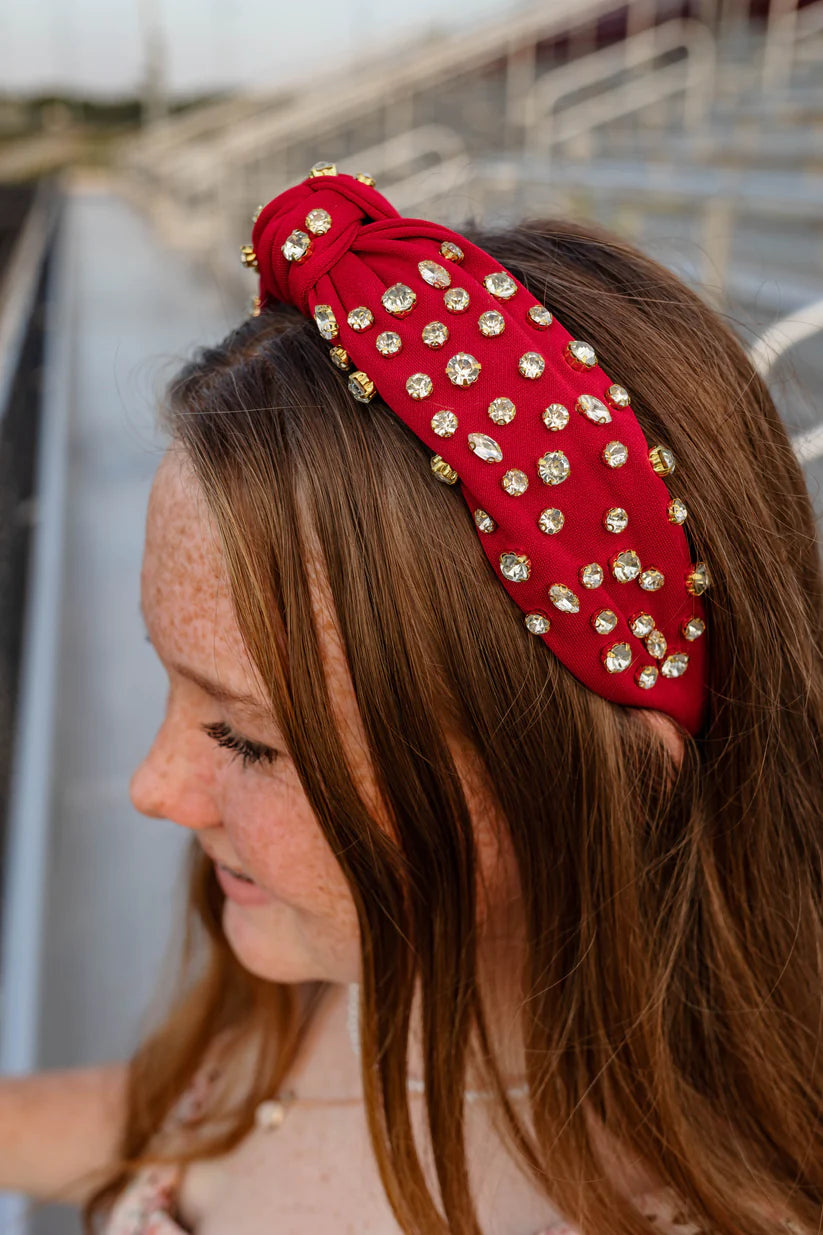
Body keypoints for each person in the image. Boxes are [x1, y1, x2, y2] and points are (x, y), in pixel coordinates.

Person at [2, 163, 821, 1235]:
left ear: (597, 783)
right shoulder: (351, 967)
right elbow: (185, 1119)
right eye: (168, 679)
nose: (156, 787)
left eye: (247, 739)